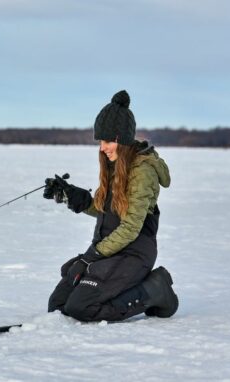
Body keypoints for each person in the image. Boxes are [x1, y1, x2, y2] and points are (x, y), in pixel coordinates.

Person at [45, 90, 179, 322]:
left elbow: (130, 227)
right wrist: (71, 195)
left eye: (107, 141)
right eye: (100, 141)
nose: (102, 148)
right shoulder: (114, 165)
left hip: (132, 254)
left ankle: (154, 290)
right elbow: (105, 209)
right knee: (58, 305)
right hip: (108, 252)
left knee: (80, 308)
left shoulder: (142, 171)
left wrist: (91, 257)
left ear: (122, 140)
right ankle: (110, 287)